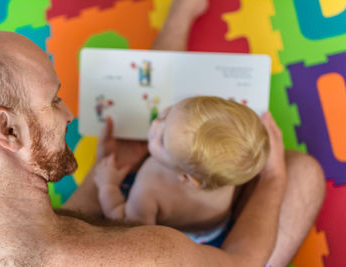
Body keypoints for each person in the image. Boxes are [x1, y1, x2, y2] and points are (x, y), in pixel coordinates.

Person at [0, 1, 324, 266]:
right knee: (303, 172)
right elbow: (243, 260)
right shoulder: (152, 253)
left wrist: (100, 177)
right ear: (8, 130)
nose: (70, 113)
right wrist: (273, 178)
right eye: (54, 99)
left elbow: (58, 231)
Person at [93, 96, 270, 247]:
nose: (155, 124)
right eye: (167, 114)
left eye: (161, 140)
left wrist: (108, 187)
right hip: (216, 228)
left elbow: (127, 226)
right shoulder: (227, 168)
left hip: (182, 243)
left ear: (186, 177)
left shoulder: (148, 189)